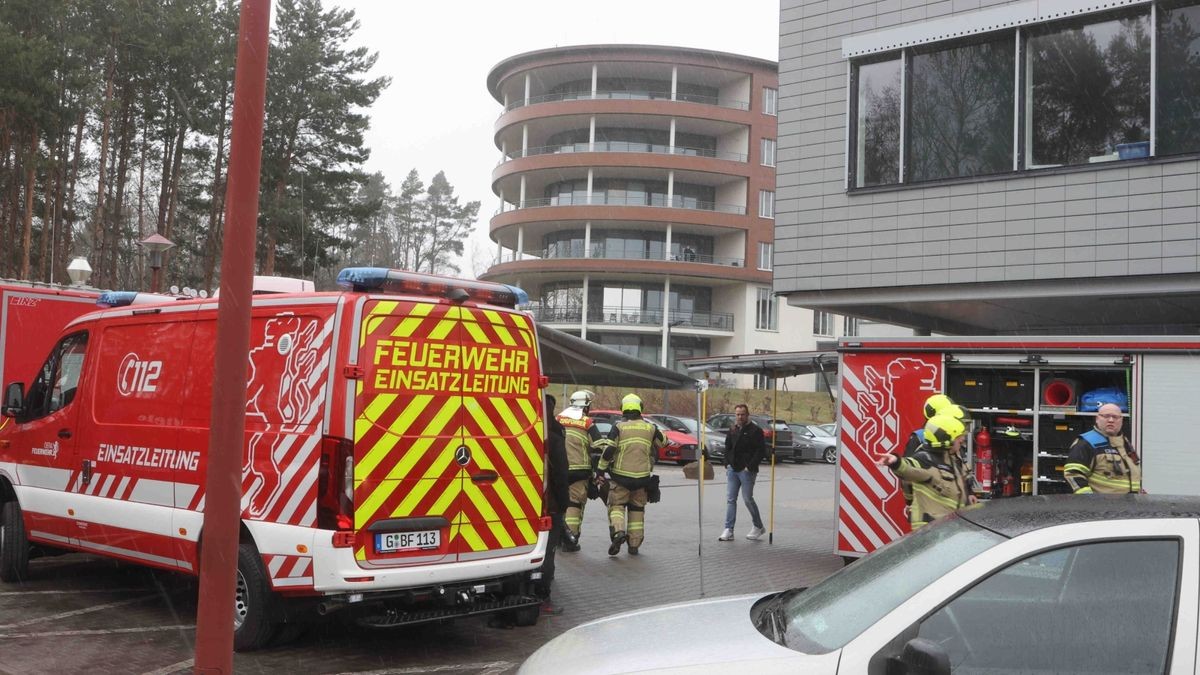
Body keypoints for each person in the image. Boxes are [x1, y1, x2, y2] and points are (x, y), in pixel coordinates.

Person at [876, 413, 974, 529]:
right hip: (930, 528)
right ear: (946, 439)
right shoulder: (924, 459)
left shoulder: (950, 459)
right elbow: (908, 468)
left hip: (946, 526)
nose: (962, 439)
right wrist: (896, 462)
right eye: (958, 437)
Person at [598, 393, 663, 556]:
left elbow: (609, 450)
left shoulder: (619, 427)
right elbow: (664, 442)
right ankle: (634, 545)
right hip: (642, 479)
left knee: (616, 506)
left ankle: (619, 532)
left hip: (620, 478)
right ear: (640, 409)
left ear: (623, 410)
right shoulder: (650, 428)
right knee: (637, 510)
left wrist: (600, 469)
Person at [556, 389, 604, 550]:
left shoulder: (558, 419)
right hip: (579, 471)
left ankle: (557, 537)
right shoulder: (587, 423)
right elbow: (598, 447)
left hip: (558, 470)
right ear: (586, 407)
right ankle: (570, 540)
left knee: (558, 504)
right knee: (574, 504)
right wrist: (598, 471)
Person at [537, 394, 570, 615]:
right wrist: (564, 502)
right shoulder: (554, 437)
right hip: (549, 505)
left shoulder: (526, 432)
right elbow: (561, 474)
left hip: (519, 506)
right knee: (547, 553)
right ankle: (542, 598)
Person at [1064, 402, 1141, 494]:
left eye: (1115, 417)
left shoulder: (1125, 442)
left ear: (1121, 420)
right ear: (1097, 419)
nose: (1111, 420)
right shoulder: (1086, 443)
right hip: (1102, 506)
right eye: (1106, 416)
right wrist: (1090, 501)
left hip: (1129, 505)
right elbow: (1073, 474)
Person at [718, 403, 767, 542]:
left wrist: (750, 466)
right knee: (731, 499)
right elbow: (727, 447)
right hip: (733, 469)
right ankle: (729, 529)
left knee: (747, 499)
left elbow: (761, 451)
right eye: (737, 414)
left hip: (747, 471)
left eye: (742, 414)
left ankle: (758, 526)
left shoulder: (755, 431)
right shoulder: (732, 429)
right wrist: (726, 463)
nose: (740, 417)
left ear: (747, 415)